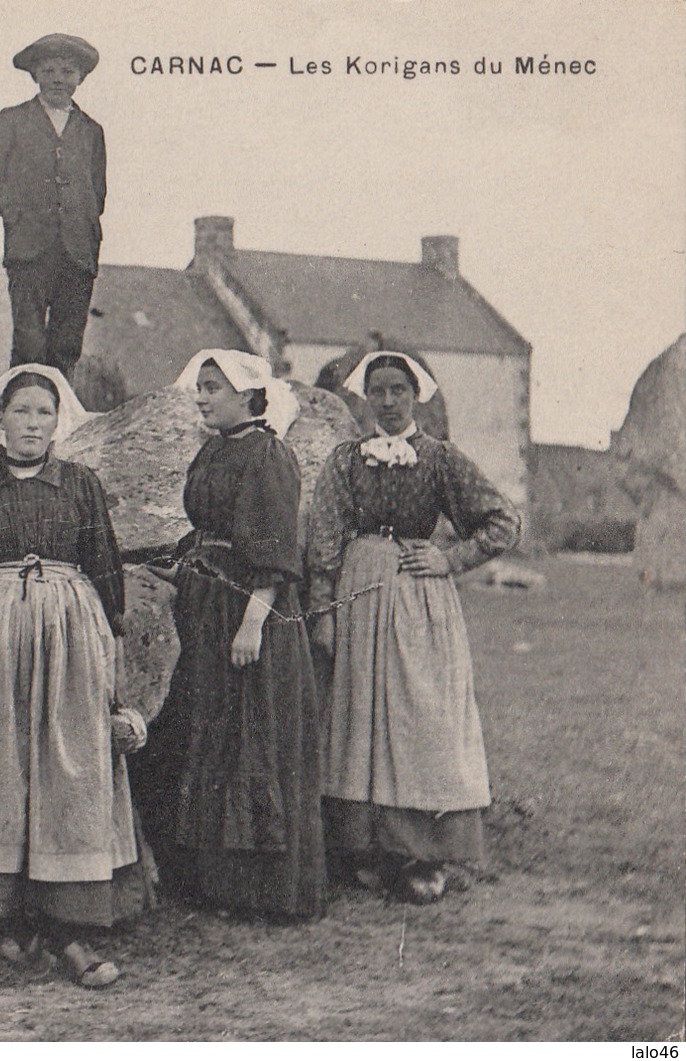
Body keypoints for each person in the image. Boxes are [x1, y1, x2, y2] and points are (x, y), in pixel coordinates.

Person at [0, 365, 150, 989]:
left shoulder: (79, 483)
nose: (32, 424)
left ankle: (70, 922)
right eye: (20, 412)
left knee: (67, 759)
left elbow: (104, 563)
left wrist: (108, 636)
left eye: (43, 413)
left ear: (60, 422)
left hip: (70, 628)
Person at [307, 350, 520, 904]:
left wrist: (450, 558)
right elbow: (324, 543)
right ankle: (366, 851)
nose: (388, 400)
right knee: (359, 720)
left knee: (418, 716)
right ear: (365, 397)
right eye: (378, 390)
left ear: (415, 394)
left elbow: (502, 520)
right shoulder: (344, 461)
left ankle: (422, 854)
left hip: (418, 600)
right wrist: (325, 611)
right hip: (358, 597)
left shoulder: (440, 459)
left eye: (398, 389)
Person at [138, 350, 325, 923]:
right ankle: (212, 883)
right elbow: (210, 533)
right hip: (208, 608)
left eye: (213, 388)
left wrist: (252, 623)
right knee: (209, 738)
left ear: (248, 395)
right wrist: (178, 571)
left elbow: (273, 548)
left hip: (250, 615)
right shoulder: (215, 448)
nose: (201, 397)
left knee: (250, 739)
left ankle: (262, 892)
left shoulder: (269, 456)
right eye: (199, 387)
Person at [0, 34, 105, 376]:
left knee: (66, 345)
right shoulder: (12, 120)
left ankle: (60, 421)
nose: (58, 79)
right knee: (30, 343)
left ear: (80, 78)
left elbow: (98, 192)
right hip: (29, 249)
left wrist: (83, 225)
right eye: (48, 70)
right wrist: (20, 215)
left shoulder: (91, 131)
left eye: (67, 71)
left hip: (77, 252)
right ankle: (23, 415)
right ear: (35, 75)